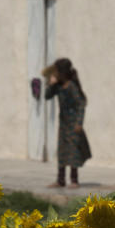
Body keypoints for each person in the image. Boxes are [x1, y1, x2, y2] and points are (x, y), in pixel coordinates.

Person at [42, 58, 91, 187]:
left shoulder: (71, 87)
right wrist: (51, 84)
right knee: (62, 151)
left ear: (63, 72)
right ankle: (60, 180)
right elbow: (47, 96)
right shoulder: (58, 87)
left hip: (73, 124)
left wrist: (79, 123)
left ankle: (74, 180)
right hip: (63, 124)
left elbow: (81, 104)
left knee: (73, 151)